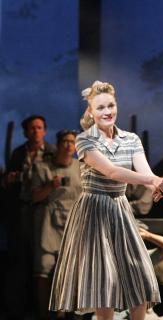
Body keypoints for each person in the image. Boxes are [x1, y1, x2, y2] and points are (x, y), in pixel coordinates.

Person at [48, 81, 163, 320]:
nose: (107, 111)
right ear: (91, 111)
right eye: (100, 107)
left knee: (140, 276)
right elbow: (112, 172)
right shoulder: (85, 140)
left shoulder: (131, 139)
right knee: (104, 283)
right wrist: (152, 182)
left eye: (110, 105)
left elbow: (146, 172)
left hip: (120, 209)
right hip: (95, 210)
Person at [3, 114, 56, 319]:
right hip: (22, 211)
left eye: (39, 128)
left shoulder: (51, 152)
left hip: (45, 212)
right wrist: (10, 180)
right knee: (20, 258)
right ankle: (18, 309)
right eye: (32, 128)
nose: (36, 131)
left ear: (44, 130)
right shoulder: (18, 153)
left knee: (42, 260)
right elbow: (8, 182)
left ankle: (42, 309)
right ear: (26, 132)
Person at [31, 129, 82, 320]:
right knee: (44, 270)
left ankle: (65, 313)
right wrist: (50, 186)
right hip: (48, 224)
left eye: (72, 141)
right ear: (59, 144)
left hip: (72, 223)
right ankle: (44, 315)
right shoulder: (42, 167)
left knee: (69, 271)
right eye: (65, 141)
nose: (69, 145)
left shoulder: (80, 168)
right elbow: (34, 197)